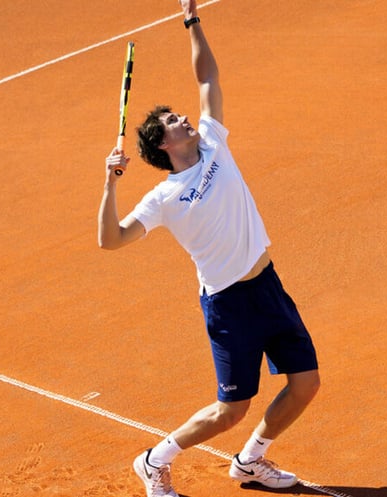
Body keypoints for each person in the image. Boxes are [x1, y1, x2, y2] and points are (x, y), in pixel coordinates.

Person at [97, 1, 320, 496]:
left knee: (306, 383)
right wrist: (110, 186)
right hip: (229, 305)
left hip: (267, 285)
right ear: (164, 146)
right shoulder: (162, 199)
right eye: (175, 121)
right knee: (229, 411)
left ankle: (250, 460)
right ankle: (155, 460)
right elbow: (110, 240)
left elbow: (207, 80)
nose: (185, 117)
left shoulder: (214, 141)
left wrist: (191, 19)